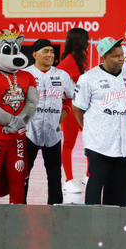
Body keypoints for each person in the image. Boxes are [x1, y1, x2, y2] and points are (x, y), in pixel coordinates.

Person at [72, 37, 126, 206]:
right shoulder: (88, 78)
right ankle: (94, 225)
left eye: (122, 55)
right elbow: (78, 108)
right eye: (116, 56)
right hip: (99, 144)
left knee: (121, 190)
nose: (121, 58)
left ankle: (117, 225)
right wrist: (88, 129)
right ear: (104, 57)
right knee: (96, 184)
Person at [24, 39, 75, 205]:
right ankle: (18, 204)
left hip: (53, 133)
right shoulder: (25, 75)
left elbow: (72, 98)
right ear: (35, 54)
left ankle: (55, 208)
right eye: (45, 51)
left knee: (54, 175)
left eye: (52, 52)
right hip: (28, 133)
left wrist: (64, 113)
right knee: (23, 173)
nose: (50, 54)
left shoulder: (62, 75)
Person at [0, 23, 38, 204]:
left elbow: (33, 102)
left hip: (18, 140)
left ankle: (17, 222)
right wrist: (15, 121)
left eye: (15, 48)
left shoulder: (27, 76)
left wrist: (20, 121)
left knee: (18, 182)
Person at [57, 28, 90, 193]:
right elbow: (56, 81)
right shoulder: (68, 61)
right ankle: (68, 180)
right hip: (71, 108)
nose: (88, 43)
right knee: (69, 143)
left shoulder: (78, 60)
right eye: (85, 40)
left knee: (91, 140)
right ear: (78, 41)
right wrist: (63, 97)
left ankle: (89, 175)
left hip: (83, 107)